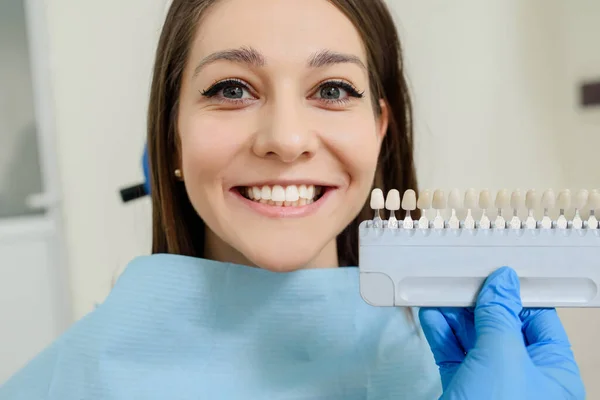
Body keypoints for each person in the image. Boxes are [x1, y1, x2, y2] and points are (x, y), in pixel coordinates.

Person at [0, 0, 586, 398]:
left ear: (379, 132)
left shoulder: (464, 368)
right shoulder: (72, 382)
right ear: (170, 136)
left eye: (332, 89)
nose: (285, 138)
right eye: (231, 88)